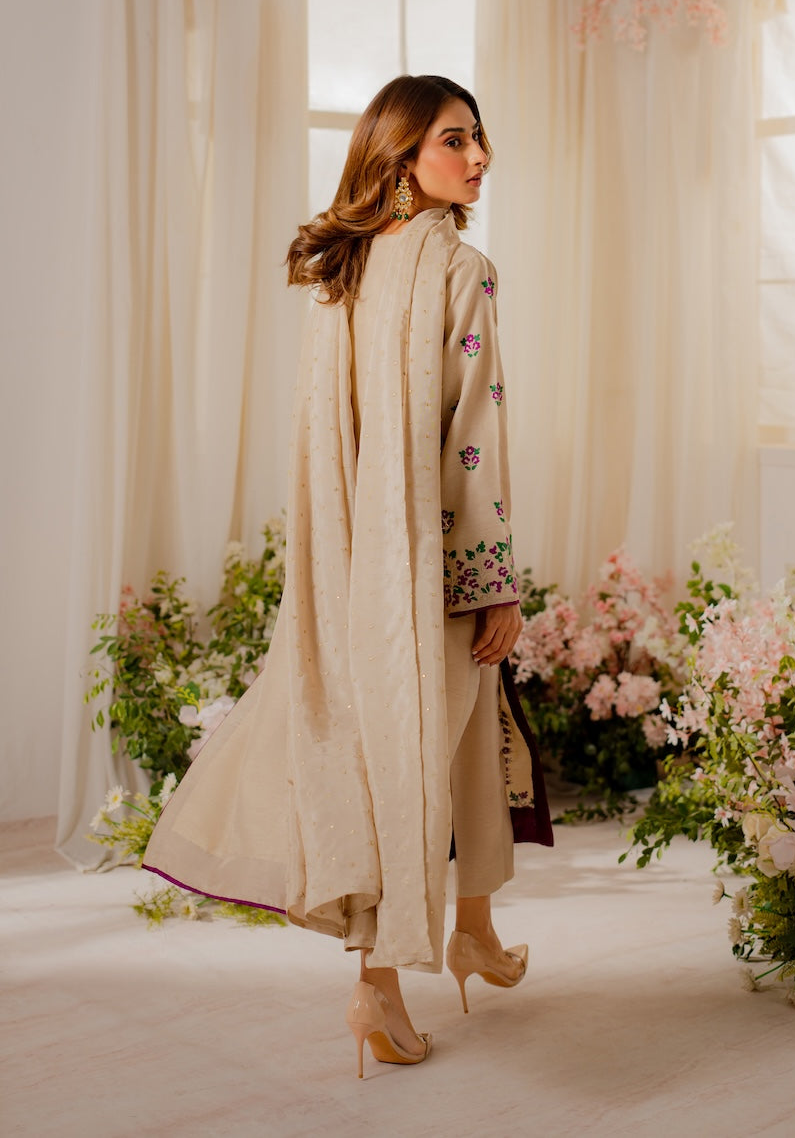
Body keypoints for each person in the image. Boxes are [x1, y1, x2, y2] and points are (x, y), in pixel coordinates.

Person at [142, 74, 552, 1078]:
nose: (478, 158)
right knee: (404, 759)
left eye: (479, 137)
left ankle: (474, 932)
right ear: (401, 158)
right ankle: (377, 986)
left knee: (454, 735)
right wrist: (494, 583)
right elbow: (474, 439)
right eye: (453, 140)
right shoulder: (461, 268)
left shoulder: (345, 269)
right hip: (431, 558)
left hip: (352, 560)